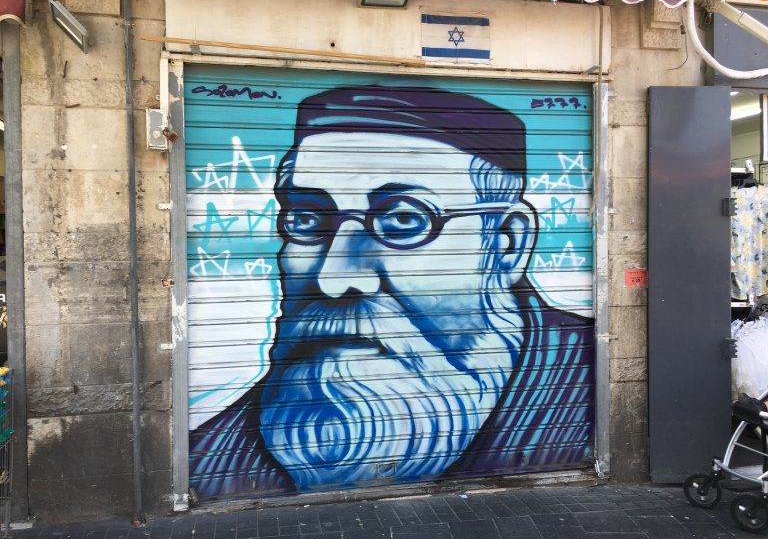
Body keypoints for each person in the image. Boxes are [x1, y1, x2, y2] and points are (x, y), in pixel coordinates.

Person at [189, 86, 595, 497]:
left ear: (506, 244)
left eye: (403, 220)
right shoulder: (206, 461)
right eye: (308, 219)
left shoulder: (600, 392)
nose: (336, 277)